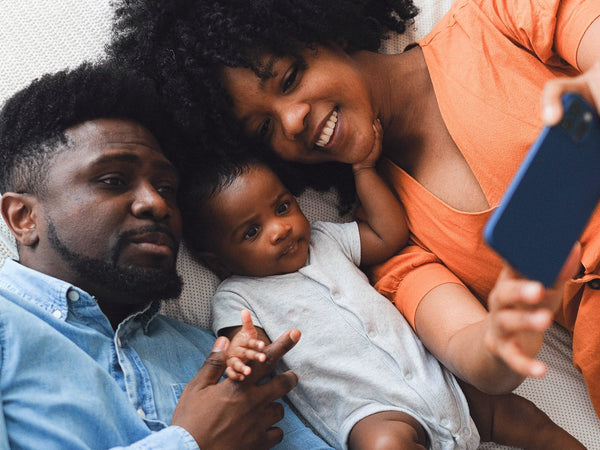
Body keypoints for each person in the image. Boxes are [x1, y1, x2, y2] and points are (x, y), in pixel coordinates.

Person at [107, 0, 600, 416]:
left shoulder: (496, 19)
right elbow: (481, 360)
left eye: (290, 77)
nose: (294, 119)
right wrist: (507, 330)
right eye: (264, 129)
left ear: (325, 28)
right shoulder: (389, 240)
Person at [0, 61, 333, 449]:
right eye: (114, 180)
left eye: (166, 187)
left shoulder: (215, 351)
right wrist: (192, 442)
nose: (156, 203)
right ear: (23, 217)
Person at [180, 140, 583, 449]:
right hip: (371, 412)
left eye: (283, 207)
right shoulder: (237, 294)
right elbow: (247, 346)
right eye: (251, 232)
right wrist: (243, 353)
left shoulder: (325, 238)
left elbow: (387, 234)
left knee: (525, 418)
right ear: (218, 261)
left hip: (437, 378)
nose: (280, 228)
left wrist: (365, 171)